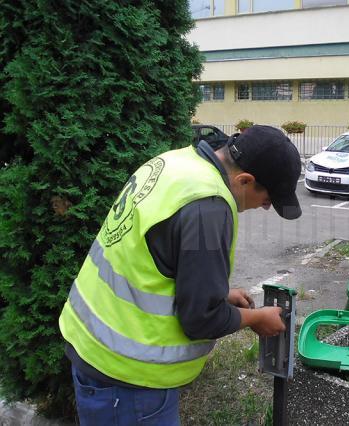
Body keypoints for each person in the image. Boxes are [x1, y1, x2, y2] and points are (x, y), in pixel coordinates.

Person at [58, 125, 302, 425]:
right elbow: (201, 319)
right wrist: (256, 318)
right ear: (245, 180)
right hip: (128, 378)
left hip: (95, 344)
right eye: (266, 200)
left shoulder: (176, 163)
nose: (264, 208)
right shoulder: (208, 206)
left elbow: (151, 257)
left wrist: (218, 293)